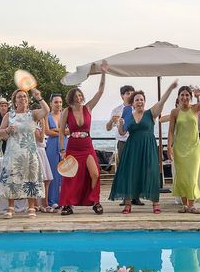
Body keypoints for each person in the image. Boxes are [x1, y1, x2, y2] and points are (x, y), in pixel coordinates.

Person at [109, 81, 178, 213]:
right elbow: (122, 132)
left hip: (148, 147)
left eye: (141, 99)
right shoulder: (129, 115)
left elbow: (161, 102)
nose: (139, 102)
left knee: (151, 172)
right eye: (136, 100)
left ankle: (155, 204)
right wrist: (120, 124)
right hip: (132, 147)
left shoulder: (151, 113)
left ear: (144, 101)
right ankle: (128, 205)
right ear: (132, 103)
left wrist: (169, 89)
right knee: (130, 173)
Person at [58, 62, 108, 216]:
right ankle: (67, 204)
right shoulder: (67, 111)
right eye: (76, 96)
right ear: (71, 98)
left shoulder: (88, 108)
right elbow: (61, 132)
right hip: (73, 146)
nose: (79, 98)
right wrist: (62, 150)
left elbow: (100, 92)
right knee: (70, 176)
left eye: (80, 95)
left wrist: (104, 73)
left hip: (87, 146)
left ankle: (95, 201)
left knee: (95, 173)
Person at [0, 85, 50, 219]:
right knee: (11, 177)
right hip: (12, 151)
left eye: (25, 96)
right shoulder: (9, 115)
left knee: (30, 177)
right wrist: (8, 130)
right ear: (15, 101)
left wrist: (39, 97)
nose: (23, 98)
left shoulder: (33, 114)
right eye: (20, 96)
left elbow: (46, 110)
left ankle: (31, 207)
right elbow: (0, 133)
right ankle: (11, 207)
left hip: (29, 152)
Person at [167, 86, 200, 214]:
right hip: (179, 149)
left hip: (194, 149)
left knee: (192, 177)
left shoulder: (195, 108)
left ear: (190, 97)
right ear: (178, 97)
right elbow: (171, 131)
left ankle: (192, 205)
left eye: (187, 95)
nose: (184, 97)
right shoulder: (174, 112)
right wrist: (169, 147)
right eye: (182, 95)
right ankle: (185, 206)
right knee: (182, 177)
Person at [106, 85, 145, 207]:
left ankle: (136, 197)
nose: (130, 95)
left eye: (132, 93)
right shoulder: (117, 110)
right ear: (122, 95)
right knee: (124, 170)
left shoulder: (138, 109)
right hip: (123, 142)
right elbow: (107, 128)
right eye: (127, 93)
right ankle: (125, 196)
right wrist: (112, 121)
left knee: (137, 169)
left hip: (136, 142)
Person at [45, 93, 64, 209]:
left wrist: (56, 130)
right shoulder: (47, 116)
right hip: (51, 145)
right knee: (53, 173)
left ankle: (65, 199)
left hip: (64, 144)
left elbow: (69, 130)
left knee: (66, 172)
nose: (58, 104)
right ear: (51, 104)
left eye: (60, 102)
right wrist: (62, 131)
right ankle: (53, 200)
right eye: (56, 102)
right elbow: (47, 132)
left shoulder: (65, 115)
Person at [35, 116, 54, 212]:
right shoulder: (34, 127)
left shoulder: (36, 127)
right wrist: (43, 126)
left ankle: (41, 203)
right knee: (42, 179)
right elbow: (41, 139)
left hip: (42, 152)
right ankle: (42, 204)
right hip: (37, 153)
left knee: (46, 179)